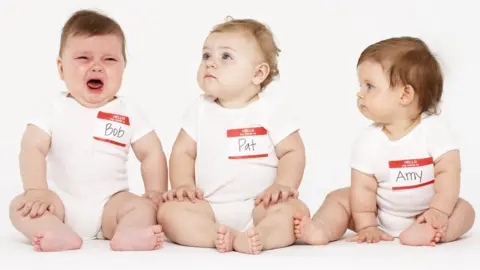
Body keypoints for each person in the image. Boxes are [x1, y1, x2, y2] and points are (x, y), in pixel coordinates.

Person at [9, 9, 168, 252]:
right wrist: (36, 190)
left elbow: (151, 153)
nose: (96, 67)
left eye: (109, 60)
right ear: (61, 69)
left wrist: (155, 191)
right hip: (57, 203)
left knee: (143, 207)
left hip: (111, 205)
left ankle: (128, 233)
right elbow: (32, 148)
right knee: (19, 206)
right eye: (83, 58)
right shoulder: (53, 107)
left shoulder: (129, 111)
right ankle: (54, 230)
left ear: (123, 68)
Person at [294, 36, 475, 247]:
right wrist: (366, 224)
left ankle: (433, 230)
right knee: (338, 199)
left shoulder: (434, 131)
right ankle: (321, 228)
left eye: (369, 86)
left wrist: (439, 211)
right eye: (360, 86)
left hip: (428, 210)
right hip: (380, 213)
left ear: (405, 94)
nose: (359, 94)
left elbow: (449, 173)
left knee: (465, 211)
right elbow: (363, 189)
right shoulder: (368, 141)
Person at [157, 17, 310, 254]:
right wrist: (183, 185)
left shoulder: (271, 110)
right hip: (208, 207)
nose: (210, 64)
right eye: (206, 56)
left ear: (258, 73)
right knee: (168, 212)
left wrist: (283, 185)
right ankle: (214, 235)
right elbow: (182, 151)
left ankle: (263, 235)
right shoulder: (199, 109)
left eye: (225, 57)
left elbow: (292, 150)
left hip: (262, 206)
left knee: (294, 211)